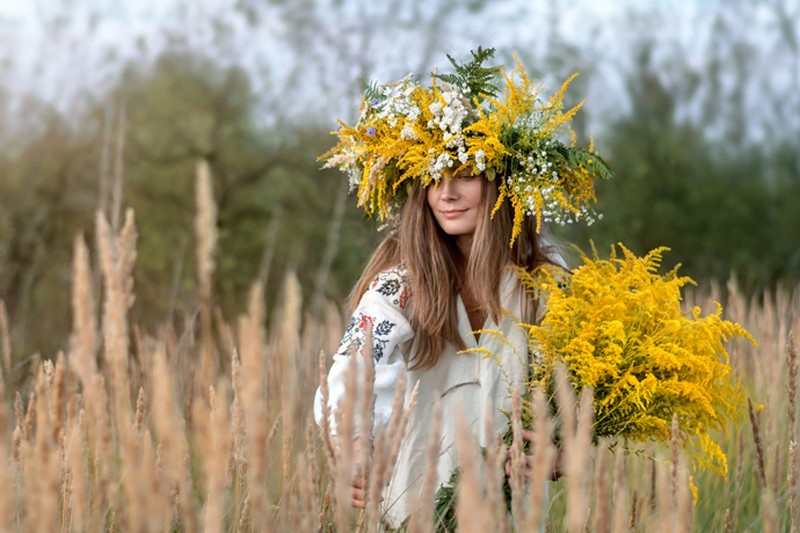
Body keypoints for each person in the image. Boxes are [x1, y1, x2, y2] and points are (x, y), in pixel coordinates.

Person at [314, 47, 610, 527]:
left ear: (501, 184)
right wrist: (353, 444)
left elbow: (581, 399)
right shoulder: (398, 288)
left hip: (504, 514)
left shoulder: (549, 288)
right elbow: (352, 369)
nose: (447, 192)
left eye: (465, 174)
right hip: (411, 511)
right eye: (434, 177)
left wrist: (558, 457)